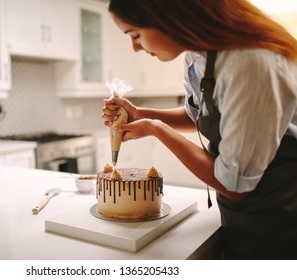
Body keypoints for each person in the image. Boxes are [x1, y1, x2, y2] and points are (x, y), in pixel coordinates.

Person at [102, 0, 297, 259]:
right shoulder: (198, 56)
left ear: (169, 16)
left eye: (136, 35)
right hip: (243, 214)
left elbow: (236, 186)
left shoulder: (250, 63)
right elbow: (197, 115)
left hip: (280, 217)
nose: (135, 48)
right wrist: (141, 114)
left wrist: (157, 129)